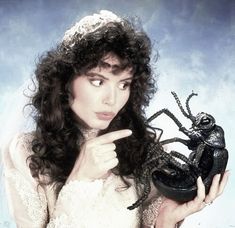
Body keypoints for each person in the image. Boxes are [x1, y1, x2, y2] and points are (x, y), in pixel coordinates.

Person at [2, 10, 229, 228]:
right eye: (98, 81)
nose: (112, 99)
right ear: (65, 81)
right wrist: (79, 181)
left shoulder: (147, 152)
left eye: (124, 84)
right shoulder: (25, 154)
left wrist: (166, 221)